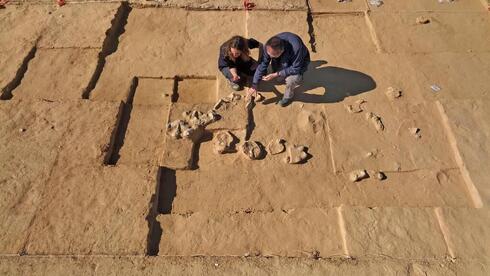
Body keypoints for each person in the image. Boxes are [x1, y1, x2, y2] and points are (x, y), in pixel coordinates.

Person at [248, 32, 310, 107]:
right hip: (282, 59)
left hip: (300, 62)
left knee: (291, 80)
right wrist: (255, 84)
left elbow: (296, 68)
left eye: (272, 56)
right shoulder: (268, 46)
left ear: (281, 51)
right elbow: (263, 64)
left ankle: (288, 97)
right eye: (269, 54)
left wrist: (276, 74)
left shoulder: (296, 48)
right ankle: (280, 71)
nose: (269, 57)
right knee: (279, 78)